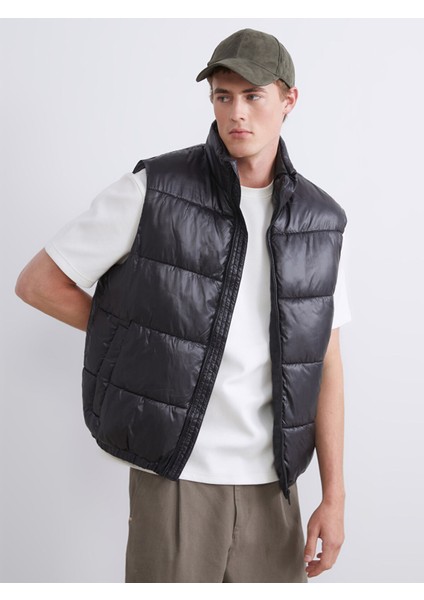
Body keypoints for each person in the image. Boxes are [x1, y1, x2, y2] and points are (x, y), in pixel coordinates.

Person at [15, 28, 351, 583]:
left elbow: (328, 363)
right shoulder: (156, 189)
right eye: (223, 96)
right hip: (176, 473)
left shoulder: (321, 222)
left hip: (276, 483)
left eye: (253, 96)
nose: (236, 113)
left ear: (289, 100)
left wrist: (333, 497)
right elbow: (40, 283)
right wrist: (136, 339)